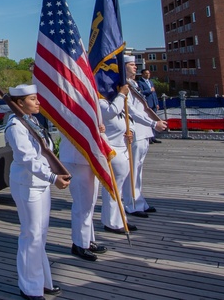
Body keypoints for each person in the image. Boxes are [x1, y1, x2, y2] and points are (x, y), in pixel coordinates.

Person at [4, 84, 69, 300]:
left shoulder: (31, 121)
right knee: (30, 235)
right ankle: (29, 287)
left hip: (40, 184)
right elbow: (27, 158)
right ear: (20, 103)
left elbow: (45, 150)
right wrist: (52, 177)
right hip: (27, 184)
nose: (38, 102)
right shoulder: (15, 126)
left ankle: (43, 281)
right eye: (33, 99)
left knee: (40, 235)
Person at [122, 56, 168, 218]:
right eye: (132, 64)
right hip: (135, 130)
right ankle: (131, 204)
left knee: (138, 169)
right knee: (132, 170)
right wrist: (153, 123)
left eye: (135, 65)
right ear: (124, 66)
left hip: (143, 131)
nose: (135, 67)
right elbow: (132, 111)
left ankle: (139, 200)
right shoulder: (123, 86)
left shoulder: (134, 84)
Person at [58, 119, 107, 262]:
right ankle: (79, 243)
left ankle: (87, 240)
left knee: (89, 203)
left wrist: (99, 129)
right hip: (76, 158)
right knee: (82, 204)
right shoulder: (65, 105)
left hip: (90, 157)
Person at [99, 81, 136, 235]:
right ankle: (112, 222)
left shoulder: (117, 102)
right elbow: (111, 113)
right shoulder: (101, 103)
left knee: (118, 189)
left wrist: (131, 132)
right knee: (113, 188)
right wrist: (121, 95)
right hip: (112, 150)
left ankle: (120, 219)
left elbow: (127, 120)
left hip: (123, 148)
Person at [136, 68, 162, 143]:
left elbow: (154, 93)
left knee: (154, 120)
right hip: (147, 104)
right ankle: (149, 138)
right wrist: (149, 90)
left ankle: (153, 137)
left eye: (149, 73)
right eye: (146, 73)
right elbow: (140, 93)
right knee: (148, 121)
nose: (148, 75)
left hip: (153, 103)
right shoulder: (140, 82)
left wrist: (156, 103)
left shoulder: (150, 82)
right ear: (142, 74)